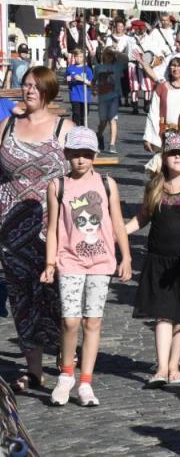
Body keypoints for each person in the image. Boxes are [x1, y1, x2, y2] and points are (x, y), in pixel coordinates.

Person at [43, 127, 131, 406]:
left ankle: (85, 381)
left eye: (87, 154)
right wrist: (49, 262)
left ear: (95, 155)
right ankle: (66, 373)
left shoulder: (107, 184)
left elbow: (117, 223)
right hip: (69, 260)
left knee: (93, 322)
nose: (81, 160)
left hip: (101, 261)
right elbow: (54, 227)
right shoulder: (58, 186)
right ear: (66, 155)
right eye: (76, 154)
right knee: (70, 320)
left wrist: (126, 256)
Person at [0, 66, 74, 392]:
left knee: (56, 295)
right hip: (11, 227)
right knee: (21, 297)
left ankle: (63, 354)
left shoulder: (64, 128)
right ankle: (33, 370)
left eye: (35, 86)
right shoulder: (7, 126)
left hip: (52, 227)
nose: (29, 91)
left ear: (48, 91)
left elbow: (82, 180)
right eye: (25, 85)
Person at [126, 134, 180, 388]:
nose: (178, 158)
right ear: (163, 156)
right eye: (173, 153)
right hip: (158, 260)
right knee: (162, 316)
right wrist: (119, 231)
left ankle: (175, 364)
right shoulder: (155, 187)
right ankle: (161, 367)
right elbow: (142, 218)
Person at [144, 56, 180, 153]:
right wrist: (149, 137)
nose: (176, 69)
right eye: (173, 66)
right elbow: (153, 113)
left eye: (179, 66)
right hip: (165, 134)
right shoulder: (162, 88)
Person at [93, 47, 125, 154]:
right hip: (103, 97)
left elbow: (126, 59)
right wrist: (93, 89)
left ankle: (112, 144)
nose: (109, 57)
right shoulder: (98, 67)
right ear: (103, 56)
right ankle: (99, 135)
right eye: (107, 54)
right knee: (103, 121)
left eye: (111, 55)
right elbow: (94, 80)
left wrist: (117, 52)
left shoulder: (117, 66)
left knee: (112, 120)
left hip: (114, 97)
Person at [65, 49, 93, 127]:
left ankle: (83, 131)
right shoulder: (70, 68)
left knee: (84, 116)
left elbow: (92, 83)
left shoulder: (87, 69)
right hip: (75, 95)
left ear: (84, 58)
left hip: (85, 96)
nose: (78, 58)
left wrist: (81, 79)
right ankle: (75, 130)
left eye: (80, 57)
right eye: (76, 57)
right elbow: (66, 79)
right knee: (76, 114)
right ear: (74, 57)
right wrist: (68, 79)